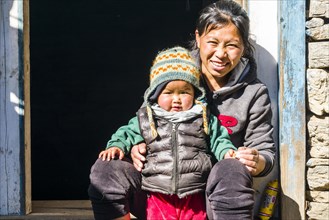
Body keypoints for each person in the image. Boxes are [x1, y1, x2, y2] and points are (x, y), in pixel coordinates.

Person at [89, 0, 275, 219]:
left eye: (232, 45)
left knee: (231, 170)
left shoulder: (253, 93)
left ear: (244, 46)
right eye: (213, 42)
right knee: (106, 170)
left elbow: (265, 152)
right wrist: (136, 144)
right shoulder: (174, 70)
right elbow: (145, 115)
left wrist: (256, 160)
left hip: (211, 196)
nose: (221, 54)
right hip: (156, 189)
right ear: (198, 38)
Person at [90, 46, 237, 220]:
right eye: (168, 92)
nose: (176, 99)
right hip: (156, 194)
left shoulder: (204, 118)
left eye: (184, 92)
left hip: (194, 193)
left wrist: (227, 152)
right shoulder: (147, 118)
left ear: (195, 93)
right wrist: (116, 145)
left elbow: (219, 139)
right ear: (155, 94)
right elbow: (127, 132)